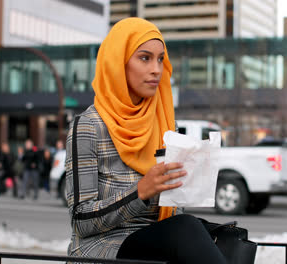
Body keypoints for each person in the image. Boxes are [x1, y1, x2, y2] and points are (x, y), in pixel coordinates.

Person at [65, 18, 226, 263]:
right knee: (185, 229)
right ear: (119, 62)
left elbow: (174, 213)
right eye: (144, 58)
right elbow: (81, 221)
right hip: (103, 247)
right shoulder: (88, 126)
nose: (156, 69)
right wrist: (140, 193)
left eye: (161, 59)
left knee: (216, 235)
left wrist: (189, 185)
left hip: (157, 242)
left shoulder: (163, 123)